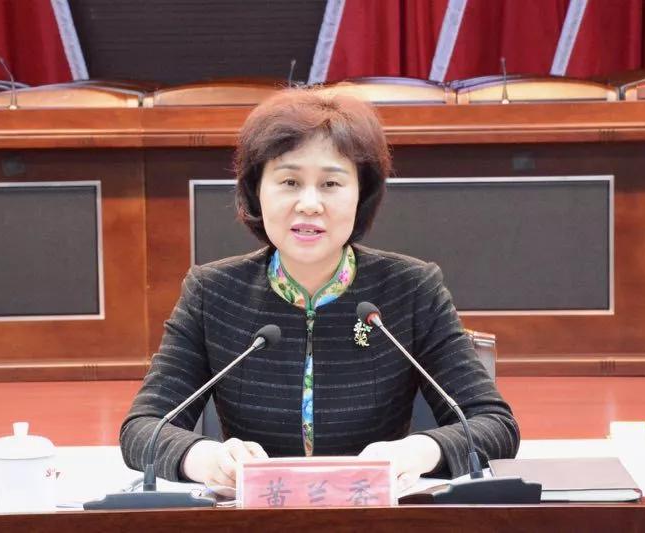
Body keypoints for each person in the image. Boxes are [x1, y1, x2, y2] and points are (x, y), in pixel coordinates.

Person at [120, 89, 519, 492]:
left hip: (375, 513)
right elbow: (143, 428)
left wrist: (417, 451)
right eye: (289, 181)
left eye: (330, 183)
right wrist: (205, 458)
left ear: (361, 194)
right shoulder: (213, 293)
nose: (309, 204)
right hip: (257, 514)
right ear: (256, 190)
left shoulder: (411, 288)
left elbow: (494, 425)